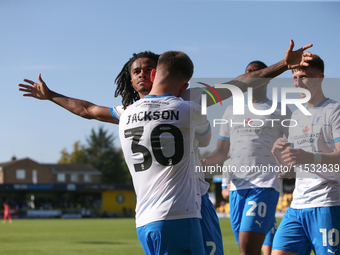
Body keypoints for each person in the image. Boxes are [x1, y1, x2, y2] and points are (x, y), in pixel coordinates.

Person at [19, 40, 313, 255]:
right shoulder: (174, 105)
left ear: (159, 72)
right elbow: (87, 109)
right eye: (136, 71)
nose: (142, 74)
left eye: (149, 68)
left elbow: (241, 82)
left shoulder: (138, 111)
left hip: (180, 208)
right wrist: (53, 95)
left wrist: (52, 96)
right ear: (131, 79)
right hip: (178, 212)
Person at [119, 50, 210, 254]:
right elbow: (205, 140)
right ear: (184, 86)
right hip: (178, 215)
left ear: (153, 76)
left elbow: (87, 110)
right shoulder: (190, 108)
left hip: (143, 221)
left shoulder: (126, 113)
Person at [201, 60, 291, 255]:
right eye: (248, 73)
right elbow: (221, 152)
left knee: (247, 248)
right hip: (237, 188)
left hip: (264, 185)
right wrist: (202, 163)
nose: (252, 77)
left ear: (267, 78)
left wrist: (289, 165)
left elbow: (295, 145)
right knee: (247, 249)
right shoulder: (231, 111)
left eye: (257, 73)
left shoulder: (281, 110)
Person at [271, 55, 340, 255]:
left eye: (304, 77)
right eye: (295, 78)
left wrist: (310, 157)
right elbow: (289, 172)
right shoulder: (297, 116)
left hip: (328, 203)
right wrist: (278, 156)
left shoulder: (334, 111)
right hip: (297, 205)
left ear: (320, 77)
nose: (298, 82)